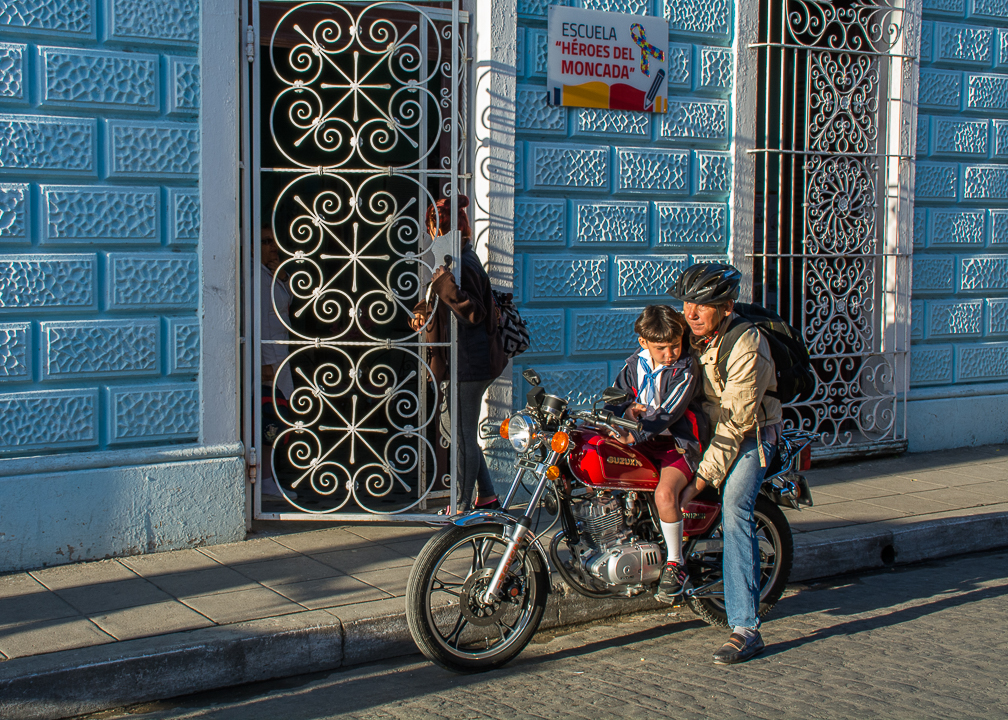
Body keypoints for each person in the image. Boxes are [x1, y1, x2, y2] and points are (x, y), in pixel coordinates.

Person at [672, 263, 782, 665]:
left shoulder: (747, 344)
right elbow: (648, 362)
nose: (691, 312)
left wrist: (700, 482)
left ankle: (746, 628)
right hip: (703, 428)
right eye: (687, 303)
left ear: (727, 307)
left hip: (751, 434)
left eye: (702, 305)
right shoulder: (686, 332)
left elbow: (736, 424)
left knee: (735, 507)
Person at [604, 305, 706, 603]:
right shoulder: (634, 365)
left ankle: (676, 563)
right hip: (645, 441)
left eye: (675, 345)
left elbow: (669, 412)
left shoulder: (685, 368)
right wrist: (621, 412)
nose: (670, 353)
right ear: (643, 342)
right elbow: (616, 397)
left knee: (664, 494)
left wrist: (635, 433)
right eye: (661, 348)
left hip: (677, 445)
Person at [411, 196, 506, 512]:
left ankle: (462, 504)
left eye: (432, 227)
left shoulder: (465, 263)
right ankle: (487, 495)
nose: (430, 234)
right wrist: (422, 311)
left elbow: (475, 312)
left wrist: (444, 284)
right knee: (456, 430)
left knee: (462, 435)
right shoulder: (452, 259)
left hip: (470, 362)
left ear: (442, 229)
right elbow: (440, 298)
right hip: (461, 361)